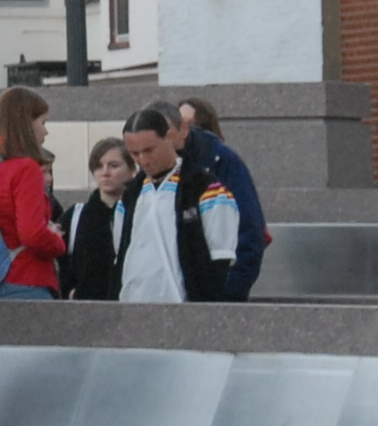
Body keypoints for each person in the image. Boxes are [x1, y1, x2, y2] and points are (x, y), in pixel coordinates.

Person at [114, 104, 243, 304]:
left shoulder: (207, 189)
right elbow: (121, 252)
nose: (143, 160)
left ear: (171, 137)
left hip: (185, 308)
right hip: (132, 306)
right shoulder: (130, 195)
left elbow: (220, 259)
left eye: (149, 150)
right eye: (135, 154)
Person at [0, 86, 67, 297]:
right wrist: (56, 240)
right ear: (26, 123)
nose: (46, 131)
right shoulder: (26, 169)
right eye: (43, 122)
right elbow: (32, 234)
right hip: (25, 280)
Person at [173, 98, 273, 296]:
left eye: (185, 123)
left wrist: (229, 291)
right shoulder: (169, 169)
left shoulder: (224, 163)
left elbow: (249, 230)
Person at [60, 135, 135, 302]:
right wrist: (69, 292)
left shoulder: (140, 213)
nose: (105, 173)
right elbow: (59, 261)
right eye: (99, 166)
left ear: (131, 170)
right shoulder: (76, 215)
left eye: (114, 166)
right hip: (85, 310)